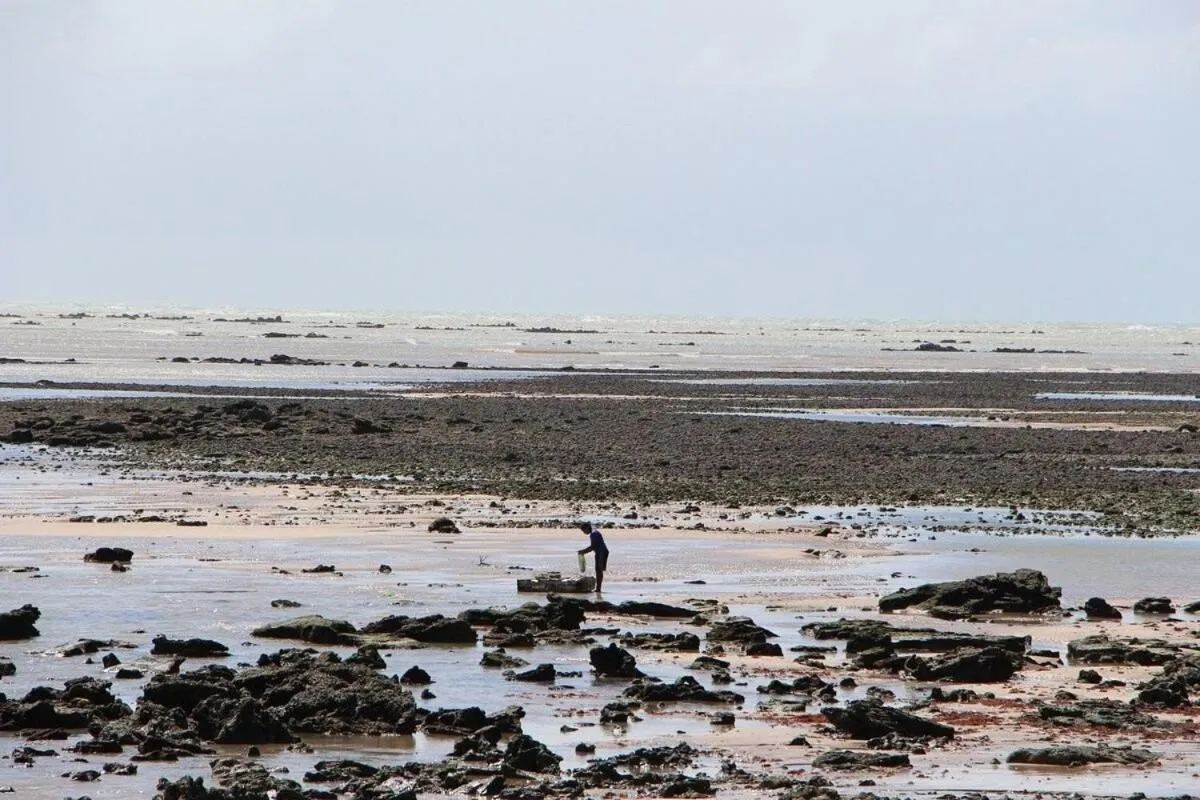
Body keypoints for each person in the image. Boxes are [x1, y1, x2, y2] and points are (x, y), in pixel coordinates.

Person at [577, 521, 609, 593]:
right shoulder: (594, 532)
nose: (584, 533)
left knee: (599, 570)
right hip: (599, 552)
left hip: (602, 552)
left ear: (587, 528)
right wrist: (583, 551)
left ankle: (598, 588)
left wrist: (583, 551)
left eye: (583, 531)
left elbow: (592, 547)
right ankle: (598, 588)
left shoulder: (593, 534)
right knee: (598, 570)